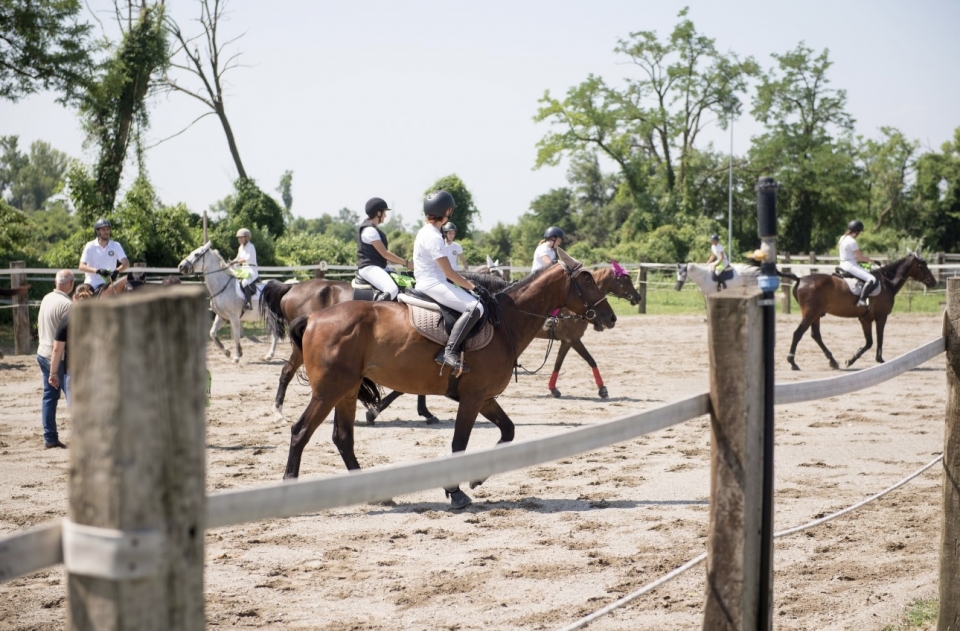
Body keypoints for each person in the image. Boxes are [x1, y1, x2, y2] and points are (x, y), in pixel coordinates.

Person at [414, 191, 485, 373]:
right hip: (433, 283)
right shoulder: (434, 236)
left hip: (429, 281)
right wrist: (473, 286)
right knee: (476, 307)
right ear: (446, 211)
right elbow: (449, 273)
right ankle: (449, 351)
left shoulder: (425, 231)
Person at [36, 270, 74, 449]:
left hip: (42, 352)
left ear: (55, 281)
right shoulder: (67, 305)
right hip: (57, 357)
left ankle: (50, 437)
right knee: (74, 397)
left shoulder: (46, 298)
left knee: (49, 397)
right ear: (71, 284)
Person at [47, 284, 95, 408]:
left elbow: (57, 349)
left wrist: (53, 373)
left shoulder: (67, 320)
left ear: (74, 298)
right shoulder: (103, 317)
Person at [357, 197, 412, 301]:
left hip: (378, 267)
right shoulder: (369, 230)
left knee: (402, 281)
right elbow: (385, 254)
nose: (385, 215)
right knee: (392, 289)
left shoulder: (373, 229)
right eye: (384, 212)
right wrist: (407, 263)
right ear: (378, 213)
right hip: (369, 268)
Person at [78, 218, 129, 292]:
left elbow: (126, 263)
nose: (106, 232)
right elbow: (81, 266)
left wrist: (116, 271)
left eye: (108, 229)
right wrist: (98, 271)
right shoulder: (90, 245)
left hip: (109, 284)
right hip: (91, 284)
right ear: (97, 231)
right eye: (103, 229)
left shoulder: (116, 245)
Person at [839, 220, 879, 307]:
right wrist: (873, 261)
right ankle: (861, 300)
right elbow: (861, 258)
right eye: (859, 232)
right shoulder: (852, 241)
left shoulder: (843, 238)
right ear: (857, 231)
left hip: (842, 263)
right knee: (872, 279)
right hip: (850, 265)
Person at [230, 228, 259, 310]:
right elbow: (237, 258)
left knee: (245, 282)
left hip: (251, 269)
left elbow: (247, 259)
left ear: (247, 237)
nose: (240, 239)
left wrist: (236, 261)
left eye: (242, 237)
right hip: (243, 269)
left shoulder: (251, 246)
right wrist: (231, 262)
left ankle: (248, 303)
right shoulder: (240, 248)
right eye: (239, 238)